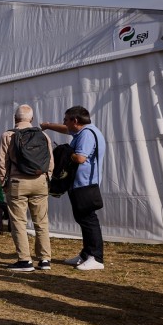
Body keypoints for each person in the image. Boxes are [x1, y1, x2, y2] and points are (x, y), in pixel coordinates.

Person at [43, 106, 107, 270]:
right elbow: (66, 130)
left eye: (66, 119)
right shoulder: (83, 131)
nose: (64, 123)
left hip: (85, 184)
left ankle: (96, 257)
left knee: (88, 220)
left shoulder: (86, 134)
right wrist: (48, 126)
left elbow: (80, 158)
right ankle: (86, 254)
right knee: (83, 219)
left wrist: (65, 152)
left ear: (75, 120)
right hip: (80, 184)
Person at [0, 105, 53, 271]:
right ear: (32, 119)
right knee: (41, 222)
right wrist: (47, 178)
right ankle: (45, 259)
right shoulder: (43, 135)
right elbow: (50, 161)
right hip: (40, 182)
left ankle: (25, 260)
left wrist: (3, 183)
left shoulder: (8, 135)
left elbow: (2, 163)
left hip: (18, 183)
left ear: (15, 119)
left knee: (19, 222)